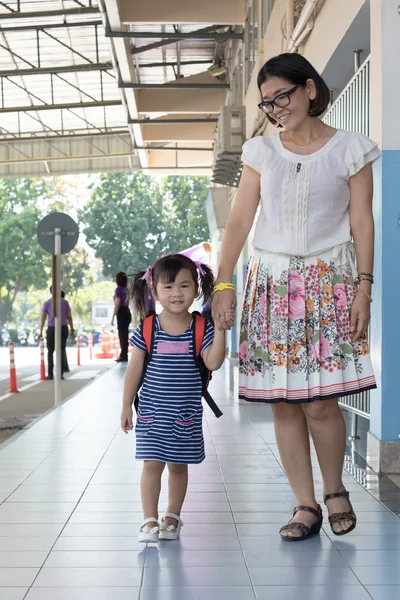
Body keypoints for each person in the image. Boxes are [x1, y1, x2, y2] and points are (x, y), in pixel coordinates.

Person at [212, 53, 380, 542]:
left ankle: (335, 492)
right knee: (284, 404)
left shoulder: (351, 149)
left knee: (321, 402)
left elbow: (362, 221)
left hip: (330, 285)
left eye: (280, 97)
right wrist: (225, 282)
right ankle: (305, 505)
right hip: (271, 285)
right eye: (266, 103)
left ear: (309, 89)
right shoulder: (260, 153)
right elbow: (240, 221)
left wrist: (364, 289)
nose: (274, 109)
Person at [120, 254, 225, 543]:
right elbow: (135, 368)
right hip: (152, 412)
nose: (176, 293)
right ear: (154, 291)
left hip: (184, 413)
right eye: (168, 287)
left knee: (178, 466)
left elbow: (213, 362)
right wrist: (126, 404)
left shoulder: (202, 327)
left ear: (196, 289)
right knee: (151, 465)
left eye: (184, 285)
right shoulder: (148, 327)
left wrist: (222, 331)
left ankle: (172, 517)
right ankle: (149, 520)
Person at [40, 287, 75, 380]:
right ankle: (60, 374)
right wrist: (72, 329)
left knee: (50, 351)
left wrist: (40, 331)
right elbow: (69, 317)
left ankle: (50, 374)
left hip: (52, 329)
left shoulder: (47, 303)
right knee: (61, 350)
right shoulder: (65, 302)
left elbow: (43, 318)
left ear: (51, 292)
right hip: (63, 328)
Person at [111, 272, 132, 362]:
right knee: (125, 334)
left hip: (121, 312)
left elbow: (117, 303)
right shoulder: (126, 289)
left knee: (122, 335)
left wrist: (113, 316)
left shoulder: (118, 289)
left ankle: (123, 355)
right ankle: (124, 354)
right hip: (127, 311)